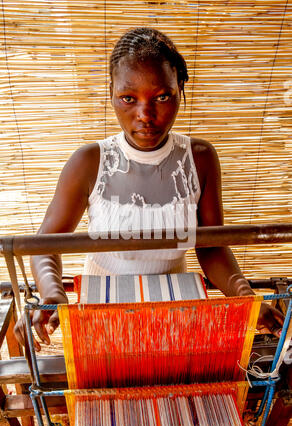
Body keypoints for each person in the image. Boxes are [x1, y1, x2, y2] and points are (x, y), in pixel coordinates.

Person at [14, 27, 284, 351]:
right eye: (129, 98)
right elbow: (45, 243)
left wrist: (245, 295)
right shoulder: (89, 162)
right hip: (102, 314)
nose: (145, 115)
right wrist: (53, 294)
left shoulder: (199, 159)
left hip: (174, 311)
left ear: (180, 89)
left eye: (161, 97)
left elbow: (211, 244)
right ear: (111, 93)